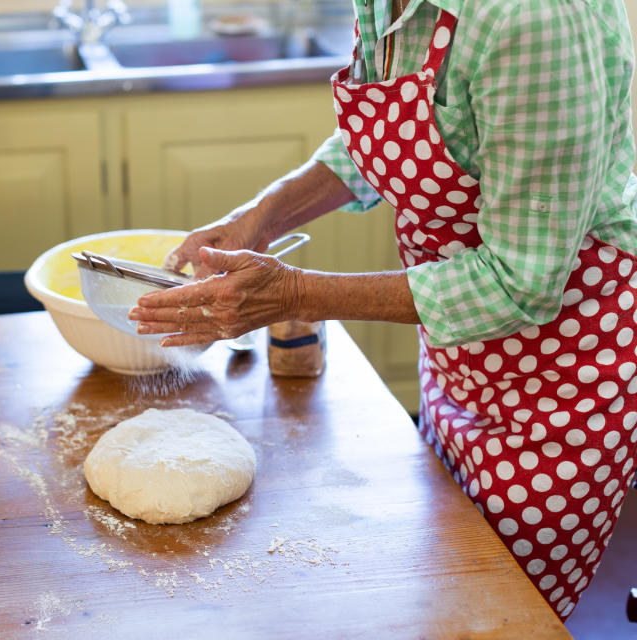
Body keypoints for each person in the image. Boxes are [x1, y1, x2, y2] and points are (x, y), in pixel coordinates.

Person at [129, 0, 637, 621]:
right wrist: (263, 216)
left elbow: (519, 282)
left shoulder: (532, 18)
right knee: (442, 595)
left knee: (499, 616)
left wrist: (293, 294)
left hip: (565, 382)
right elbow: (395, 137)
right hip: (461, 358)